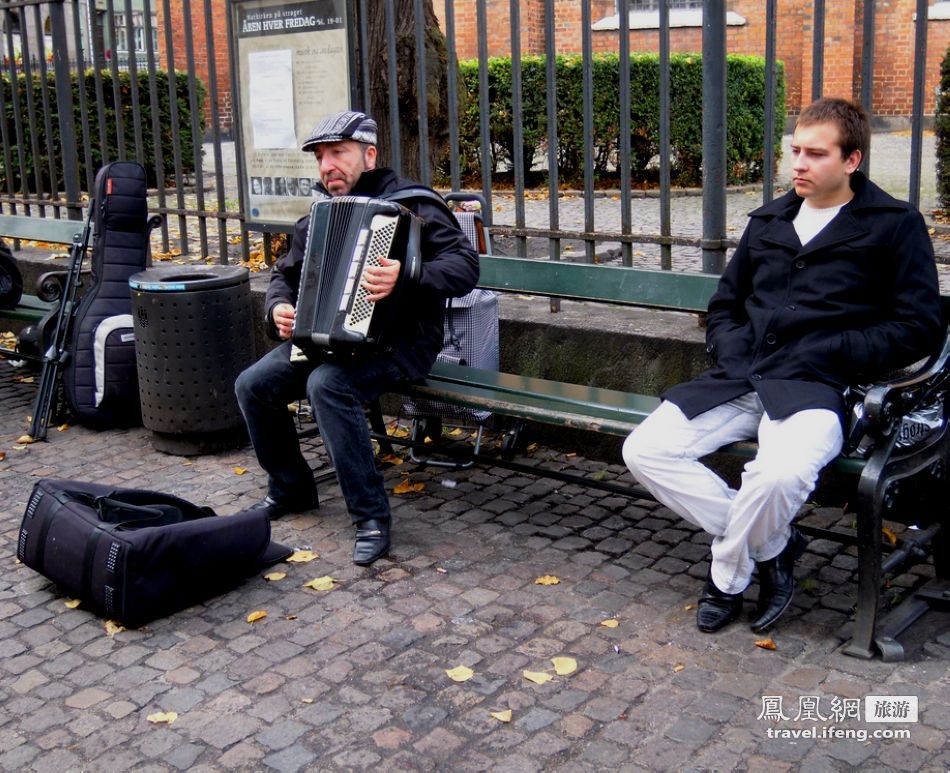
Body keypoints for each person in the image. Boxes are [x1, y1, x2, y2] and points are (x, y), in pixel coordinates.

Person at [622, 97, 943, 634]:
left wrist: (834, 351)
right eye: (794, 150)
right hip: (739, 379)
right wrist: (729, 349)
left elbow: (919, 326)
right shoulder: (770, 219)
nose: (798, 163)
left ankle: (725, 577)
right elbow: (724, 305)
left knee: (780, 475)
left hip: (818, 386)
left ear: (852, 160)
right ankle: (775, 544)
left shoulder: (893, 225)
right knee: (645, 451)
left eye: (815, 154)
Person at [235, 110, 479, 566]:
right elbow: (284, 277)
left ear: (369, 155)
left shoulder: (415, 205)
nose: (327, 166)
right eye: (321, 157)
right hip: (328, 339)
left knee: (327, 385)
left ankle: (370, 518)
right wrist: (277, 310)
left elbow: (466, 267)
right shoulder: (317, 217)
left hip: (402, 343)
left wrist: (408, 275)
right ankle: (291, 488)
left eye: (338, 154)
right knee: (252, 385)